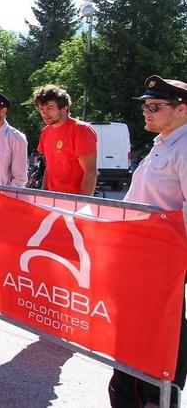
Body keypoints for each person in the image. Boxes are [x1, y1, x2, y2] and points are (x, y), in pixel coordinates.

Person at [108, 75, 187, 408]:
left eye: (155, 106)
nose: (146, 111)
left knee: (151, 355)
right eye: (145, 105)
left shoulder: (184, 148)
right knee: (131, 348)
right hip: (138, 261)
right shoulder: (164, 143)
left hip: (158, 265)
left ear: (182, 109)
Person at [34, 84, 97, 195]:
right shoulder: (46, 131)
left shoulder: (81, 130)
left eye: (50, 108)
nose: (44, 113)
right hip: (51, 200)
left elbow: (90, 172)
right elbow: (49, 168)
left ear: (64, 108)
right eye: (41, 109)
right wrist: (43, 194)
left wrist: (81, 204)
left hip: (73, 201)